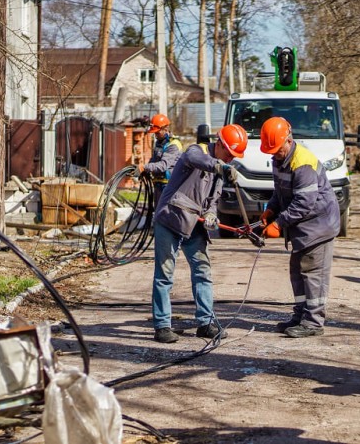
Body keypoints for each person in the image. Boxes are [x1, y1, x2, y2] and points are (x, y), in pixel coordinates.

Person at [150, 124, 248, 343]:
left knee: (203, 272)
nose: (231, 159)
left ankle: (205, 323)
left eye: (234, 157)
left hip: (195, 224)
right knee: (164, 276)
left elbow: (213, 200)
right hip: (170, 219)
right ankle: (162, 326)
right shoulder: (196, 151)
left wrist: (212, 215)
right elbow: (199, 160)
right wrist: (219, 166)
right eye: (229, 154)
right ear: (220, 144)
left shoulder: (221, 171)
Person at [259, 116, 340, 338]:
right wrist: (271, 209)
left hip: (319, 225)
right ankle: (300, 316)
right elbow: (280, 191)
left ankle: (313, 322)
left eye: (277, 149)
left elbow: (304, 202)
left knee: (313, 273)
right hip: (304, 225)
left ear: (288, 139)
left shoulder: (302, 162)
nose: (275, 153)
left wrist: (279, 223)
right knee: (297, 271)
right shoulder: (279, 159)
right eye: (271, 150)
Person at [138, 113, 183, 205]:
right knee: (157, 213)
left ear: (165, 129)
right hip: (159, 184)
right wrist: (145, 171)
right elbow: (154, 160)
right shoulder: (159, 143)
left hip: (169, 186)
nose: (156, 135)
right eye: (154, 133)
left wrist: (145, 167)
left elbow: (163, 165)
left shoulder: (173, 145)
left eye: (157, 132)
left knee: (165, 214)